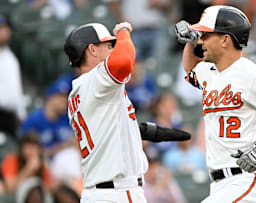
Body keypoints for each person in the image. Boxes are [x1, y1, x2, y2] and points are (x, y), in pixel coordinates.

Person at [175, 5, 256, 203]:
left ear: (225, 40)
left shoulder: (254, 76)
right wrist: (191, 42)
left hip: (248, 180)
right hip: (220, 184)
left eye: (206, 35)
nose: (201, 40)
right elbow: (190, 68)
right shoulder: (210, 73)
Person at [64, 22, 190, 203]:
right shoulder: (96, 79)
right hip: (118, 192)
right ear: (92, 49)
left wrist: (145, 132)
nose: (112, 50)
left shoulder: (77, 92)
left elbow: (108, 130)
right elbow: (124, 61)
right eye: (108, 46)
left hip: (101, 192)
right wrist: (123, 31)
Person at [20, 74, 75, 158]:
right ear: (50, 98)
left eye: (66, 97)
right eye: (61, 96)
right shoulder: (33, 120)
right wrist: (57, 149)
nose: (65, 100)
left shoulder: (68, 119)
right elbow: (24, 151)